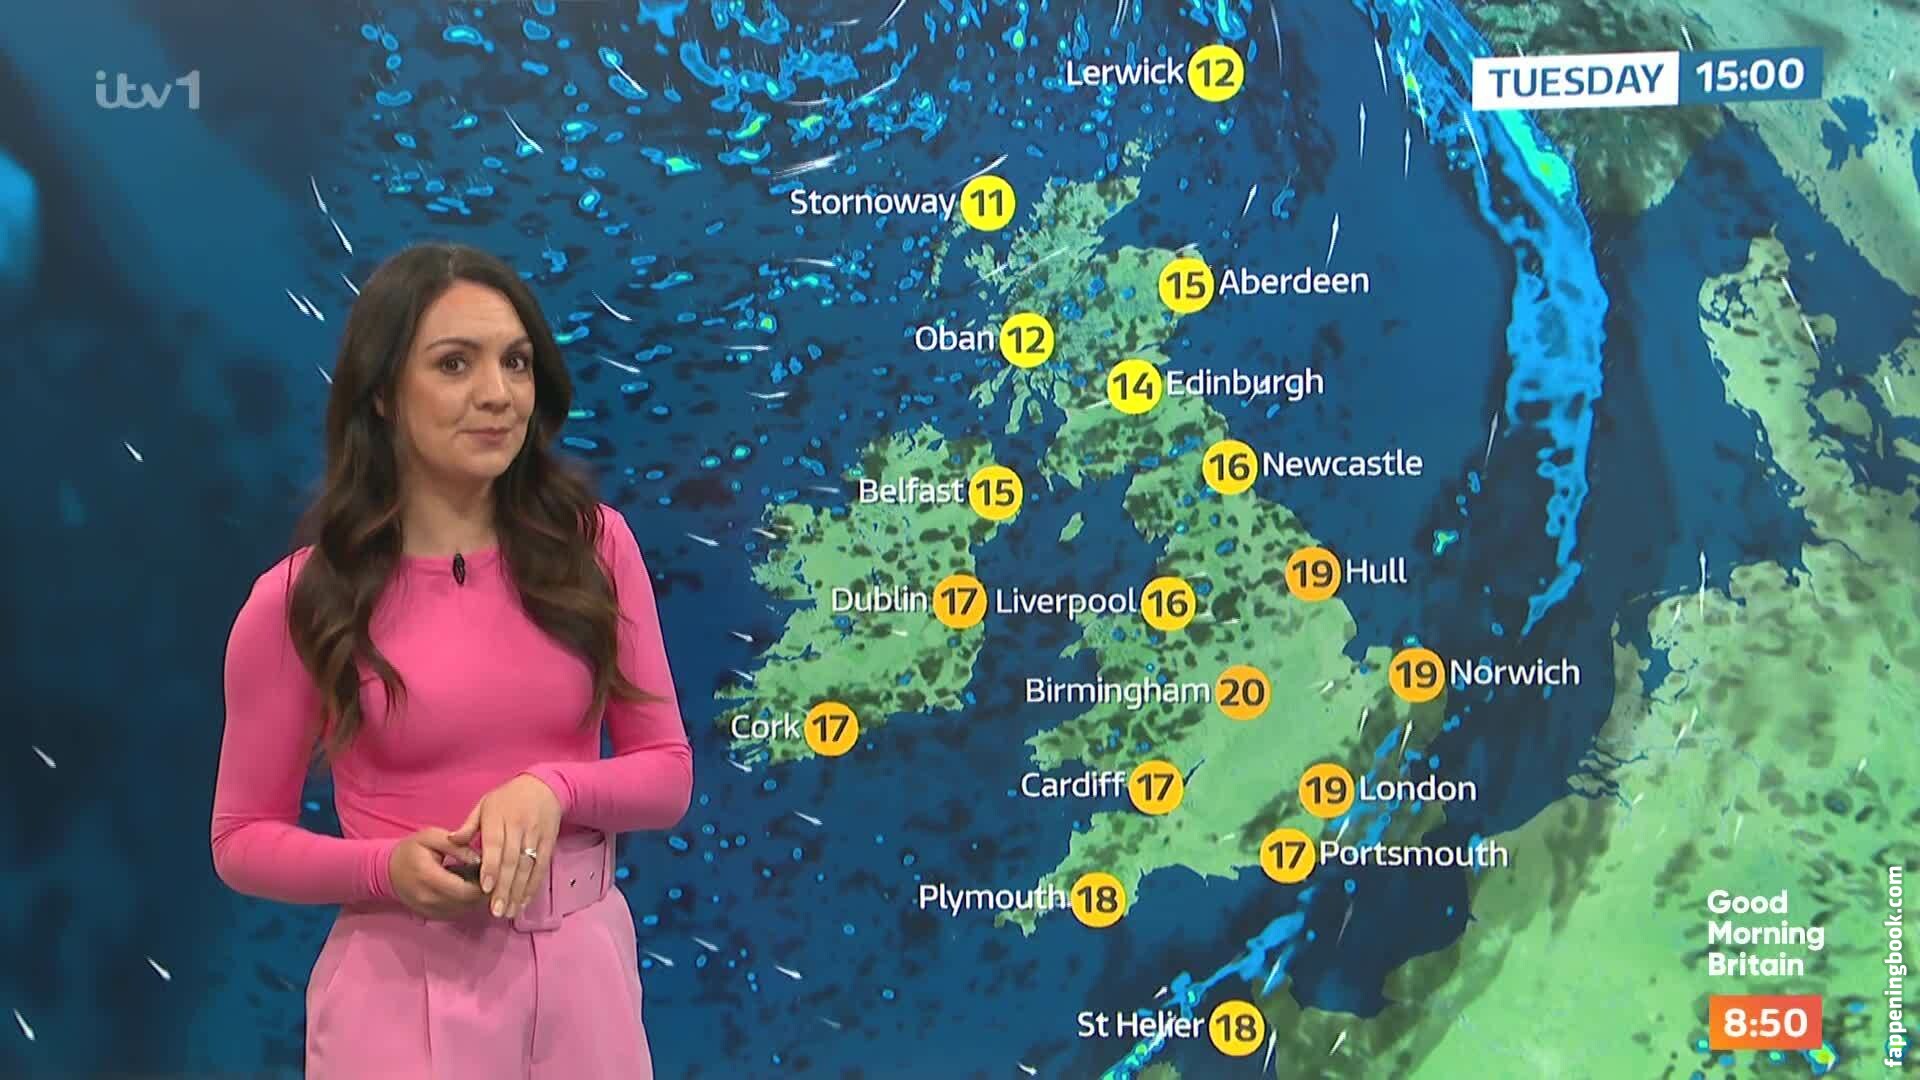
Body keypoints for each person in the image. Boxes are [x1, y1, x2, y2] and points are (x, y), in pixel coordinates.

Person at [209, 243, 693, 1078]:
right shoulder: (301, 599)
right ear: (382, 393)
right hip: (397, 996)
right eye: (454, 364)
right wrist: (383, 869)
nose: (497, 394)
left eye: (516, 362)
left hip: (586, 987)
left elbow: (668, 774)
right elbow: (241, 838)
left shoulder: (596, 547)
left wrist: (553, 788)